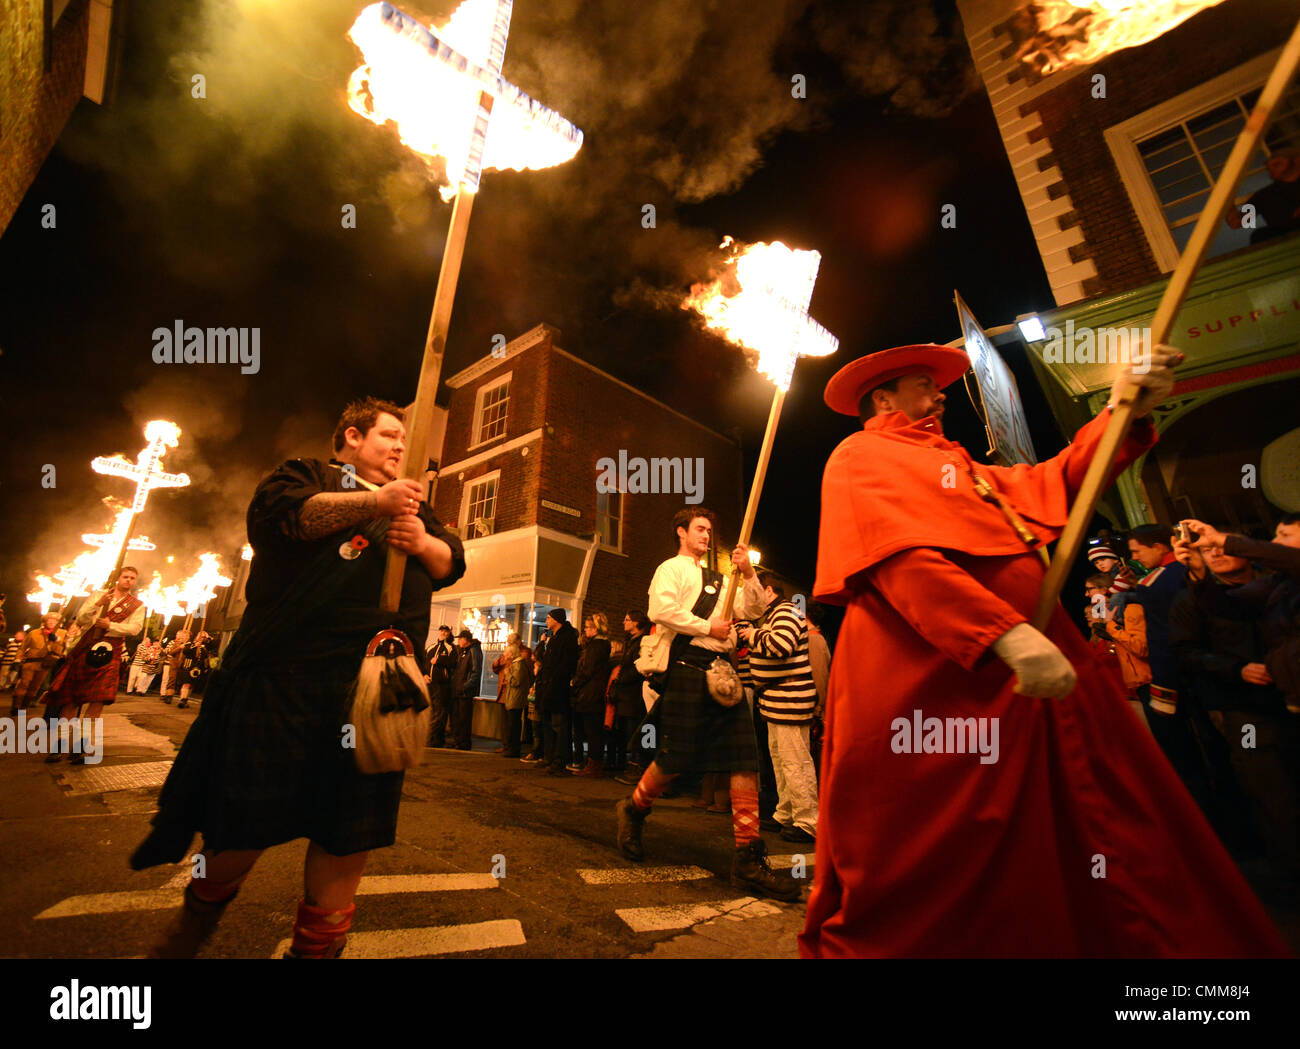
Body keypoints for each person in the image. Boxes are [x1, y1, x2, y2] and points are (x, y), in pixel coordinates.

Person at [802, 340, 1289, 957]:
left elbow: (1053, 481)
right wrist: (999, 633)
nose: (941, 393)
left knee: (1075, 836)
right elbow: (898, 558)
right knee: (942, 853)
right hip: (938, 684)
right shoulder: (860, 453)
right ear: (883, 397)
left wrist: (1120, 410)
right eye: (925, 384)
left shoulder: (964, 467)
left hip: (1021, 690)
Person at [130, 396, 465, 959]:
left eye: (404, 440)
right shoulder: (305, 476)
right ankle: (192, 927)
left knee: (348, 832)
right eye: (388, 436)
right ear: (352, 437)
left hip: (376, 690)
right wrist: (374, 504)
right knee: (243, 823)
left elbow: (450, 562)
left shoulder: (415, 510)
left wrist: (423, 541)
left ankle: (316, 951)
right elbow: (290, 518)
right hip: (286, 682)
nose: (401, 446)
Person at [615, 507, 799, 902]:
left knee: (744, 757)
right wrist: (706, 627)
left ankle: (747, 858)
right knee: (674, 757)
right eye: (699, 529)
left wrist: (748, 573)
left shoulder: (723, 578)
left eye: (710, 530)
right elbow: (659, 611)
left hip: (722, 671)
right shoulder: (672, 569)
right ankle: (633, 810)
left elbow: (751, 611)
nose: (706, 535)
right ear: (681, 532)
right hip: (686, 665)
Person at [741, 575, 819, 844]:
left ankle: (808, 821)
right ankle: (786, 813)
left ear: (769, 591)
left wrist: (753, 634)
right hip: (779, 700)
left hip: (789, 698)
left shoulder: (785, 611)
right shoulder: (776, 615)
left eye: (754, 594)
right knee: (782, 761)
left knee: (795, 761)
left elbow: (780, 646)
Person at [44, 567, 146, 764]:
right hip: (87, 647)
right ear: (118, 578)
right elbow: (81, 620)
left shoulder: (137, 605)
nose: (128, 581)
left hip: (111, 650)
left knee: (97, 702)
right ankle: (60, 744)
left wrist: (111, 626)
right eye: (125, 577)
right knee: (71, 700)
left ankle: (80, 745)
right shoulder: (99, 595)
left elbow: (135, 629)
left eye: (133, 578)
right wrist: (97, 605)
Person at [535, 610, 579, 775]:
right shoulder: (553, 638)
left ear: (557, 620)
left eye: (548, 618)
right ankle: (549, 756)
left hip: (557, 689)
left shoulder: (566, 638)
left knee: (559, 725)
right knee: (547, 724)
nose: (546, 620)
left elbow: (565, 665)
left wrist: (553, 682)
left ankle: (560, 759)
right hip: (548, 687)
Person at [1225, 146, 1300, 242]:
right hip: (1284, 237)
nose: (1272, 169)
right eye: (1268, 168)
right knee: (1259, 235)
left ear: (1297, 160)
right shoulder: (1264, 196)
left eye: (1277, 164)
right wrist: (1227, 202)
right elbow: (1237, 222)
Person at [570, 613, 612, 777]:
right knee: (592, 730)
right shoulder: (599, 645)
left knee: (593, 731)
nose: (585, 630)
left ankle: (594, 766)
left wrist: (575, 683)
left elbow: (587, 669)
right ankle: (593, 764)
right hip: (591, 692)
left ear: (595, 628)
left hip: (590, 693)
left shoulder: (596, 646)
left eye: (587, 627)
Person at [610, 612, 650, 775]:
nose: (623, 622)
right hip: (625, 694)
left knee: (636, 730)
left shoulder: (643, 643)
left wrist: (622, 678)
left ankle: (638, 765)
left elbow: (637, 668)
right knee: (625, 730)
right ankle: (626, 763)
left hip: (635, 694)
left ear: (636, 623)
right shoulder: (631, 641)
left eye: (627, 620)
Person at [11, 614, 65, 716]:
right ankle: (16, 706)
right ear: (45, 621)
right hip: (30, 663)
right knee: (24, 684)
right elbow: (23, 647)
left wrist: (57, 640)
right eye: (49, 619)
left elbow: (66, 647)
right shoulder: (34, 633)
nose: (52, 622)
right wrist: (17, 659)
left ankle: (24, 708)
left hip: (45, 664)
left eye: (55, 620)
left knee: (34, 687)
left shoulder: (62, 633)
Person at [449, 629, 483, 750]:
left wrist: (465, 686)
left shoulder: (474, 651)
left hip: (465, 692)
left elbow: (475, 672)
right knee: (457, 717)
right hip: (458, 690)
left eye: (460, 639)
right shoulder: (462, 652)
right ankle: (458, 741)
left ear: (465, 640)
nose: (459, 641)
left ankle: (464, 742)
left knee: (464, 718)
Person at [499, 644, 534, 758]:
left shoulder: (518, 665)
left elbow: (516, 682)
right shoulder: (517, 664)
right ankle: (512, 748)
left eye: (506, 652)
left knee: (514, 725)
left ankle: (514, 749)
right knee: (512, 724)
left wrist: (507, 674)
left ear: (511, 654)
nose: (504, 655)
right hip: (514, 698)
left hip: (516, 698)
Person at [425, 625, 456, 747]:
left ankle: (435, 739)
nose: (443, 632)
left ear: (449, 633)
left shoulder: (451, 648)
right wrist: (424, 674)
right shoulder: (431, 647)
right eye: (441, 630)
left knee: (440, 712)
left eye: (445, 631)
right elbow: (424, 662)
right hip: (430, 684)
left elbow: (453, 663)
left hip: (442, 685)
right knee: (431, 711)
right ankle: (432, 738)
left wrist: (439, 661)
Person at [160, 630, 190, 705]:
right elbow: (171, 652)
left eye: (185, 636)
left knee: (182, 681)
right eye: (182, 636)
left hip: (184, 665)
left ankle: (183, 698)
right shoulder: (176, 643)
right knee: (171, 680)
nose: (183, 637)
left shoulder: (189, 645)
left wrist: (185, 648)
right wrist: (179, 647)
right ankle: (169, 696)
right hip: (174, 663)